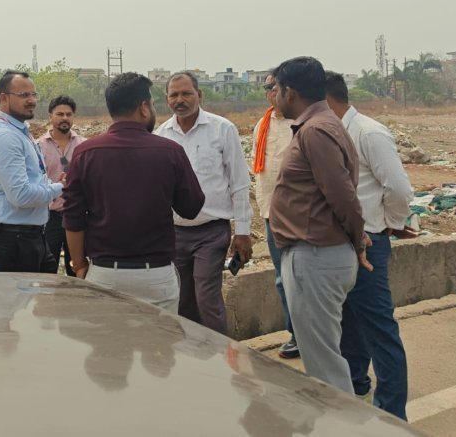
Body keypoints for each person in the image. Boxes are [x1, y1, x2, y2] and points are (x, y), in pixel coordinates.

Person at [269, 56, 370, 395]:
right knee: (323, 358)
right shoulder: (323, 124)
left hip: (315, 256)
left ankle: (339, 420)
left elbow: (343, 196)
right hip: (316, 254)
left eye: (276, 89)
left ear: (290, 92)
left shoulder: (315, 131)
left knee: (325, 367)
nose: (274, 96)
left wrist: (358, 239)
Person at [62, 72, 205, 311]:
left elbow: (72, 219)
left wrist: (79, 265)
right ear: (144, 107)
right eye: (152, 103)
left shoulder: (85, 153)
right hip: (156, 276)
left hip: (104, 274)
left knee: (108, 336)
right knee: (161, 336)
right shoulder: (170, 151)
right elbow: (191, 208)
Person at [325, 72, 412, 420]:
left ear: (325, 100)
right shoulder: (329, 132)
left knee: (379, 330)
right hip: (337, 244)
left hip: (368, 242)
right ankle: (355, 389)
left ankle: (392, 415)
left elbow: (399, 189)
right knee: (348, 326)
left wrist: (389, 223)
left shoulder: (368, 133)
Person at [154, 72, 252, 335]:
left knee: (207, 296)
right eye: (174, 95)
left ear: (199, 95)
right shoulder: (161, 135)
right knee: (183, 299)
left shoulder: (222, 129)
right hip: (175, 233)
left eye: (186, 93)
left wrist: (243, 232)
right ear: (167, 99)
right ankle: (192, 353)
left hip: (211, 231)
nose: (180, 100)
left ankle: (220, 352)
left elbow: (240, 183)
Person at [0, 70, 62, 273]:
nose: (32, 100)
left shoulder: (20, 132)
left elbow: (34, 180)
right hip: (14, 241)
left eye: (34, 95)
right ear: (4, 98)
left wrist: (52, 185)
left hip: (30, 237)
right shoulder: (4, 137)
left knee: (46, 290)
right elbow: (21, 195)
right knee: (17, 294)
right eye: (24, 95)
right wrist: (60, 188)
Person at [252, 73, 298, 358]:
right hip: (271, 213)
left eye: (274, 87)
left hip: (300, 215)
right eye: (267, 88)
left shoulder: (301, 123)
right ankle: (297, 335)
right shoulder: (263, 125)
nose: (270, 93)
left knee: (305, 278)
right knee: (283, 279)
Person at [37, 95, 86, 276]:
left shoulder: (84, 146)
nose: (64, 118)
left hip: (78, 215)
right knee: (47, 267)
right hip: (49, 217)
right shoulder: (38, 147)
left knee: (77, 268)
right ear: (50, 116)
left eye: (68, 114)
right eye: (60, 114)